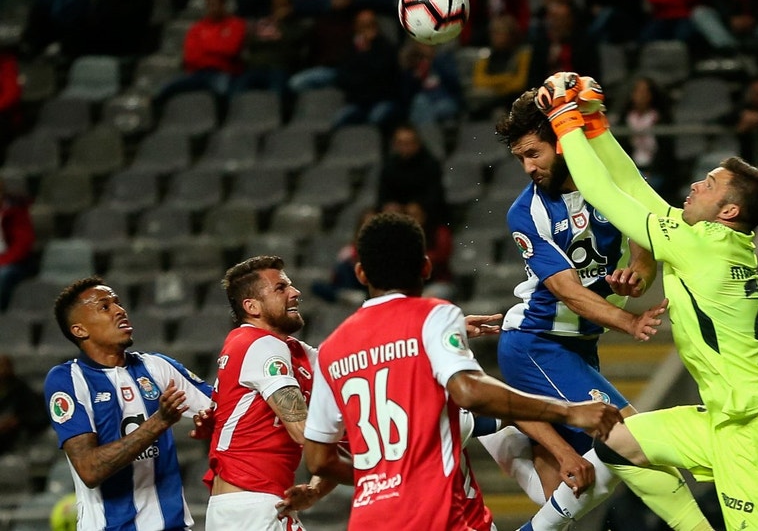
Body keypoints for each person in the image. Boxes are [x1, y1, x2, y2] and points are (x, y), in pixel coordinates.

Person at [535, 71, 758, 530]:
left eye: (710, 183)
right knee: (617, 441)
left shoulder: (702, 245)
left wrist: (564, 119)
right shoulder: (707, 239)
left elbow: (605, 194)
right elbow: (635, 190)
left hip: (753, 433)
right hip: (725, 418)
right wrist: (594, 123)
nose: (697, 185)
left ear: (729, 211)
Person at [302, 211, 625, 530]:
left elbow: (318, 460)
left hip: (369, 521)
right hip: (436, 516)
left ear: (360, 273)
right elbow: (471, 392)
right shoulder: (433, 315)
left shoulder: (331, 349)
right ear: (426, 267)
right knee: (615, 457)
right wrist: (569, 412)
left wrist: (381, 479)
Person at [492, 89, 712, 531]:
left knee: (574, 491)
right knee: (629, 438)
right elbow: (568, 292)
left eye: (533, 153)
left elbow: (644, 251)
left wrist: (637, 276)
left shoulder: (609, 185)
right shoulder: (527, 212)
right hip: (537, 344)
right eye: (520, 158)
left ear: (560, 140)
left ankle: (494, 426)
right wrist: (628, 319)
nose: (528, 167)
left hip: (580, 347)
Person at [44, 276, 214, 530]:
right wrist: (159, 422)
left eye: (118, 303)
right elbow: (89, 469)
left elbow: (226, 409)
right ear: (79, 330)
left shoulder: (157, 367)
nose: (119, 310)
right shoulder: (67, 379)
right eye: (104, 306)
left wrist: (212, 422)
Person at [204, 255, 339, 530]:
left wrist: (315, 490)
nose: (295, 292)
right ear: (252, 306)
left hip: (251, 506)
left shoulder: (295, 353)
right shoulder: (260, 345)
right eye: (281, 288)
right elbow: (303, 430)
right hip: (252, 507)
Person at [155, 0, 246, 111]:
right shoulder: (196, 28)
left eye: (215, 4)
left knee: (223, 91)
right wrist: (218, 47)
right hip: (198, 73)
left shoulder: (236, 24)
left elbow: (231, 50)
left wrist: (206, 46)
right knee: (166, 89)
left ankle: (223, 123)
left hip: (223, 72)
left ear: (223, 4)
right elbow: (190, 57)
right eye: (209, 4)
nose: (212, 8)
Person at [231, 0, 309, 115]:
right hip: (255, 68)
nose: (279, 7)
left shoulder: (298, 26)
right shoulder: (264, 23)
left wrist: (282, 26)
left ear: (290, 4)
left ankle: (274, 120)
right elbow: (252, 43)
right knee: (237, 89)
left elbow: (292, 47)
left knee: (277, 92)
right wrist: (272, 32)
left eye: (283, 3)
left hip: (279, 68)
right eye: (276, 3)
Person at [468, 13, 533, 120]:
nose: (495, 37)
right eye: (493, 33)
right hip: (492, 101)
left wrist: (493, 86)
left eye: (499, 33)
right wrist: (505, 81)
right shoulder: (486, 56)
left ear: (511, 35)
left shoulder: (523, 55)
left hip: (515, 101)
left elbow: (519, 83)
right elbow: (479, 81)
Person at [0, 353, 48, 455]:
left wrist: (17, 420)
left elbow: (37, 416)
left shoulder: (20, 390)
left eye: (3, 366)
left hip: (16, 438)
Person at [0, 177, 36, 312]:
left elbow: (22, 246)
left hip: (15, 263)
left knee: (2, 275)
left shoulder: (15, 212)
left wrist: (2, 261)